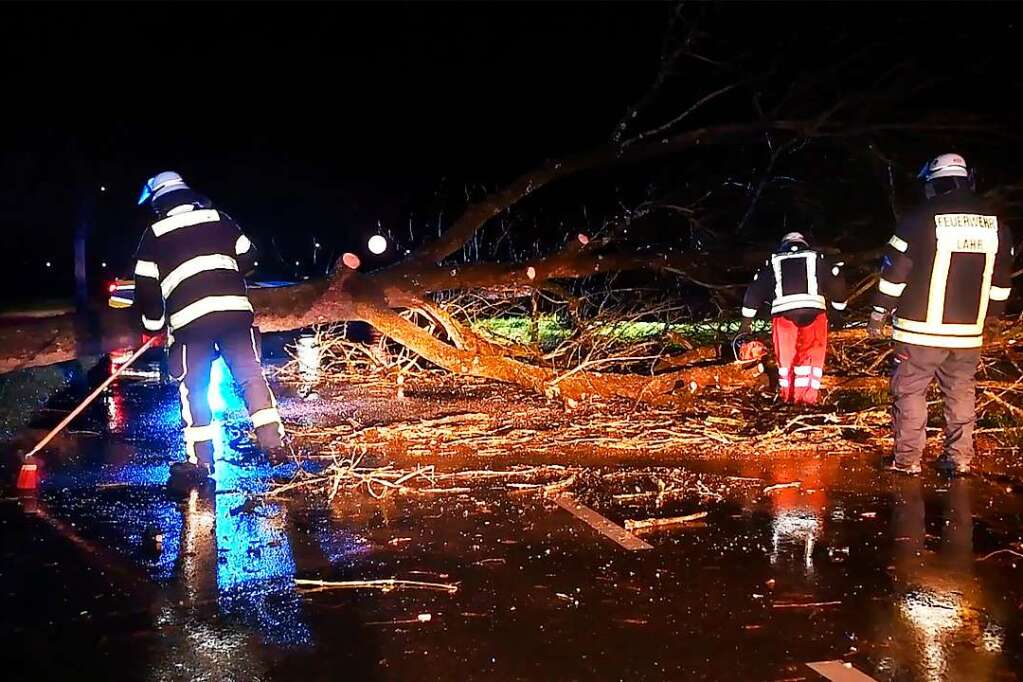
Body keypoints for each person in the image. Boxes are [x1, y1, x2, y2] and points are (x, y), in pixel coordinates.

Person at [134, 171, 286, 489]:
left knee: (195, 389)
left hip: (191, 326)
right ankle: (275, 445)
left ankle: (200, 462)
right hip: (235, 315)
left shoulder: (155, 233)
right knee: (251, 377)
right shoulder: (219, 218)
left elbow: (147, 290)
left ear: (158, 202)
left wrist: (152, 327)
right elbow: (249, 255)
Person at [868, 153, 1013, 476]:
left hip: (918, 332)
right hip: (967, 335)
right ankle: (959, 457)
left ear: (933, 183)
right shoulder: (996, 224)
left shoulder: (919, 219)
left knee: (909, 392)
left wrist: (879, 311)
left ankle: (908, 460)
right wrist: (992, 317)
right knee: (961, 392)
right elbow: (1001, 281)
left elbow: (895, 273)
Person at [740, 232, 848, 404]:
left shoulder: (774, 262)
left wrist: (746, 325)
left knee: (786, 358)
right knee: (812, 355)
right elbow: (837, 286)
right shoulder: (816, 259)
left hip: (782, 315)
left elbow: (754, 292)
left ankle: (788, 397)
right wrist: (838, 311)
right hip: (814, 313)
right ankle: (806, 400)